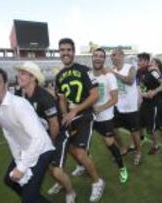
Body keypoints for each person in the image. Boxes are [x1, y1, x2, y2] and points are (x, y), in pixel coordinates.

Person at [0, 66, 55, 203]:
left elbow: (39, 139)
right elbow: (9, 134)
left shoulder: (19, 105)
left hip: (42, 150)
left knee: (29, 198)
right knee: (10, 181)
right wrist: (18, 160)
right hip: (25, 150)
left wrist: (22, 168)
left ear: (6, 85)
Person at [15, 61, 76, 203]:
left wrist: (51, 144)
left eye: (23, 73)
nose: (19, 76)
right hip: (41, 136)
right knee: (45, 165)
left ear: (33, 77)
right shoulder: (20, 94)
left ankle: (70, 192)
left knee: (57, 170)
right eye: (19, 73)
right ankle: (61, 184)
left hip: (59, 134)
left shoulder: (43, 97)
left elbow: (54, 124)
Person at [55, 38, 105, 202]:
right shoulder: (59, 75)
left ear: (73, 52)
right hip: (69, 117)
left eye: (68, 50)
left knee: (81, 153)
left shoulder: (85, 70)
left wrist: (75, 110)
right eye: (62, 50)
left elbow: (95, 94)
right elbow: (62, 98)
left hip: (84, 115)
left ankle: (98, 182)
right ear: (59, 52)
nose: (65, 53)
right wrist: (64, 115)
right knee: (69, 147)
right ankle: (82, 167)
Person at [91, 48, 128, 183]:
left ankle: (122, 168)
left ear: (104, 59)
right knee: (82, 144)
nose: (98, 58)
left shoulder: (109, 76)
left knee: (110, 144)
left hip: (105, 117)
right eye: (96, 55)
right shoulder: (88, 74)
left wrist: (99, 108)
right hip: (90, 116)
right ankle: (82, 166)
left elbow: (114, 99)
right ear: (92, 57)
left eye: (101, 56)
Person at [110, 48, 142, 165]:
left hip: (130, 107)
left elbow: (129, 80)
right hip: (117, 106)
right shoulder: (112, 70)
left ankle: (138, 152)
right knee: (113, 129)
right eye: (111, 56)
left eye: (114, 55)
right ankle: (123, 147)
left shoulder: (130, 67)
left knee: (134, 132)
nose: (112, 57)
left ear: (122, 55)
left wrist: (113, 73)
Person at [137, 53, 162, 155]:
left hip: (154, 104)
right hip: (145, 103)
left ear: (147, 61)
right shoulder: (139, 72)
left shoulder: (153, 71)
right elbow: (140, 86)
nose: (138, 62)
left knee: (154, 128)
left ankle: (160, 145)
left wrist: (154, 91)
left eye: (141, 60)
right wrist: (142, 94)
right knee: (139, 125)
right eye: (138, 60)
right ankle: (143, 139)